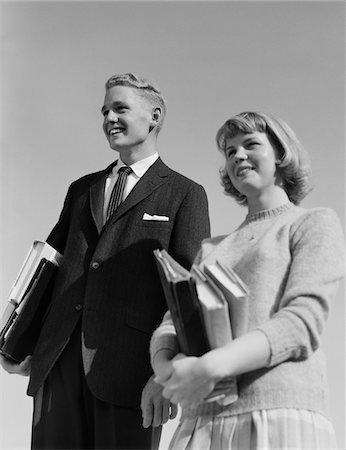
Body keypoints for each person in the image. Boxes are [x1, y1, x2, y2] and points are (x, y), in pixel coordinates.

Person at [0, 73, 211, 449]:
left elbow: (189, 290)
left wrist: (166, 374)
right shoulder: (82, 189)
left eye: (120, 108)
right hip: (59, 362)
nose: (109, 118)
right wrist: (16, 342)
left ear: (155, 116)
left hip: (131, 372)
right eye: (104, 111)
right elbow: (48, 267)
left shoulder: (185, 194)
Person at [150, 111, 344, 449]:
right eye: (229, 151)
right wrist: (163, 364)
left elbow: (302, 322)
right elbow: (174, 320)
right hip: (202, 421)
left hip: (277, 414)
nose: (238, 155)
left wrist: (211, 367)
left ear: (282, 154)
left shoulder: (313, 223)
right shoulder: (211, 248)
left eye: (251, 144)